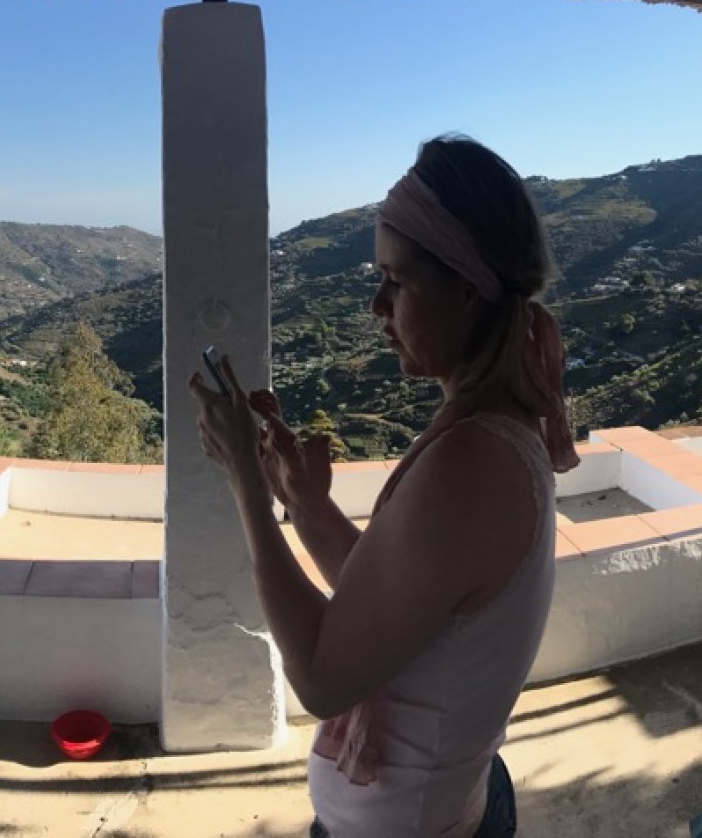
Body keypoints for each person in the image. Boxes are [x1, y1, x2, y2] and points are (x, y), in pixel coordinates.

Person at [188, 135, 579, 837]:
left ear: (466, 288)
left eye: (396, 281)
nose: (376, 304)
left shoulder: (470, 464)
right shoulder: (489, 430)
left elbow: (322, 678)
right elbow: (393, 603)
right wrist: (305, 504)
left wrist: (246, 482)